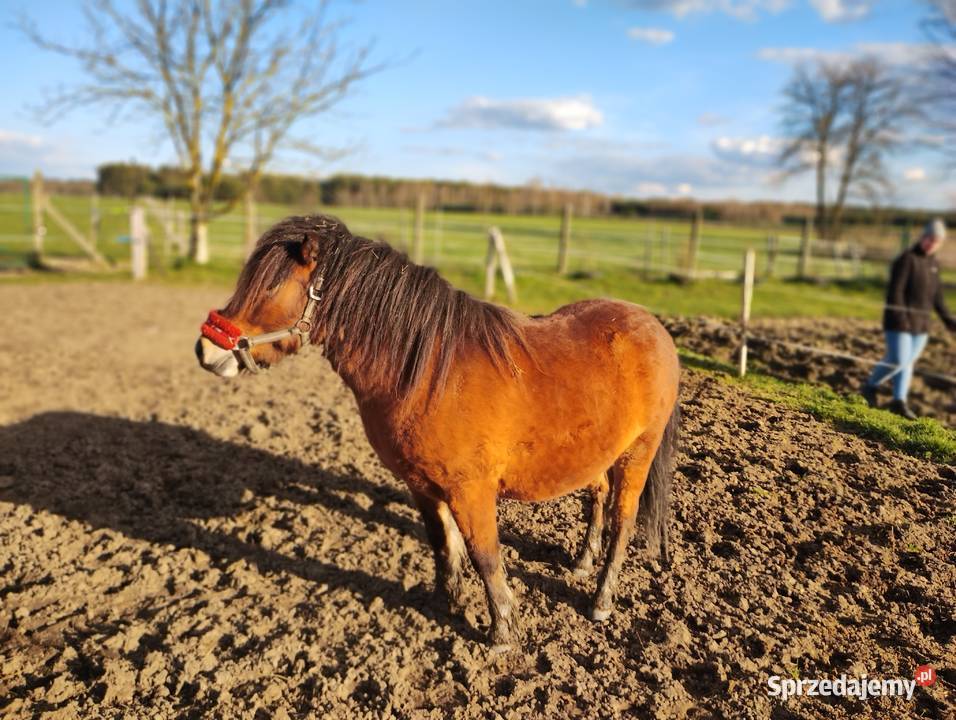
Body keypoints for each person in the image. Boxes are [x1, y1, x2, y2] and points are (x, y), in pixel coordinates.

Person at [862, 218, 956, 419]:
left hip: (921, 327)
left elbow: (937, 298)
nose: (932, 243)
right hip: (899, 323)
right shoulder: (906, 259)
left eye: (936, 241)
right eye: (929, 238)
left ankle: (898, 401)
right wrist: (901, 320)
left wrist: (949, 321)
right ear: (923, 237)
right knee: (898, 360)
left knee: (908, 362)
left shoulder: (933, 263)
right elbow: (895, 293)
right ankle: (870, 387)